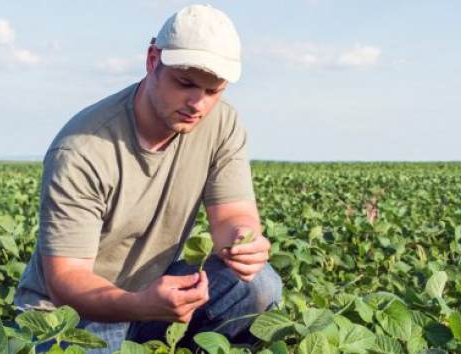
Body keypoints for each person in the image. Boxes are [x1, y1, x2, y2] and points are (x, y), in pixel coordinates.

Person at [14, 4, 282, 352]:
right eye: (185, 83)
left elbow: (232, 216)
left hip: (155, 295)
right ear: (153, 60)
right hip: (72, 315)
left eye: (213, 91)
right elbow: (66, 279)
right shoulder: (82, 150)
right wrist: (140, 304)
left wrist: (242, 242)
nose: (197, 104)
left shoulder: (222, 124)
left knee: (257, 284)